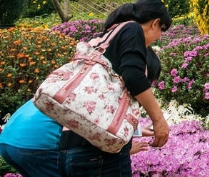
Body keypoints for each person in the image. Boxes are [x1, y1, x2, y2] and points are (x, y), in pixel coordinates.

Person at [0, 48, 162, 177]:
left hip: (10, 139)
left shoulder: (95, 79)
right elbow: (90, 131)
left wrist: (137, 131)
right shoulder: (107, 91)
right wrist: (124, 151)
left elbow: (95, 122)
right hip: (36, 147)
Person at [59, 0, 171, 177]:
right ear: (155, 23)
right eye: (162, 30)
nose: (159, 36)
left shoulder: (100, 39)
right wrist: (159, 120)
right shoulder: (133, 29)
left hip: (70, 149)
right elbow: (133, 76)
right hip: (99, 153)